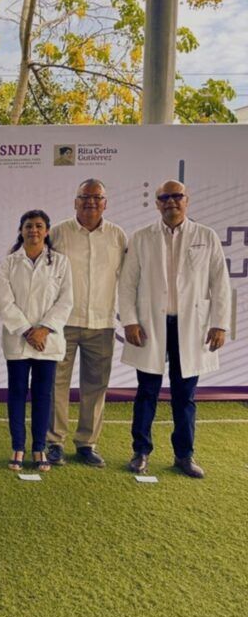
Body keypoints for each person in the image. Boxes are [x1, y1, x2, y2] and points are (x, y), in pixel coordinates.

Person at [119, 180, 230, 478]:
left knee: (185, 395)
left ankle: (184, 455)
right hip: (151, 325)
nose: (171, 202)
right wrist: (129, 320)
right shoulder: (142, 237)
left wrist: (220, 324)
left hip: (190, 326)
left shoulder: (206, 236)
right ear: (157, 203)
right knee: (147, 392)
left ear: (187, 200)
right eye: (164, 197)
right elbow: (128, 283)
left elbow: (220, 283)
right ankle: (140, 451)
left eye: (176, 196)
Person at [47, 179, 127, 467]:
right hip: (63, 322)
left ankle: (86, 443)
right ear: (75, 202)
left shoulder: (118, 236)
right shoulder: (58, 233)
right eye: (85, 197)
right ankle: (54, 442)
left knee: (95, 385)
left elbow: (128, 280)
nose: (91, 202)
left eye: (97, 197)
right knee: (57, 383)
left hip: (102, 323)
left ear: (105, 202)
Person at [0, 210, 73, 472]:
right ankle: (17, 447)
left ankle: (39, 448)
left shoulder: (61, 263)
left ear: (47, 231)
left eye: (39, 226)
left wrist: (43, 330)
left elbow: (65, 301)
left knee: (43, 396)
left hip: (47, 342)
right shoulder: (8, 263)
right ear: (21, 230)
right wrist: (28, 331)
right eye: (28, 226)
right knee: (17, 394)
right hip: (18, 341)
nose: (34, 231)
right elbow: (5, 302)